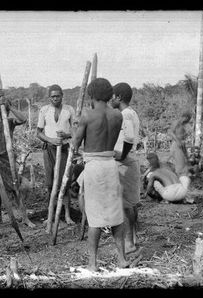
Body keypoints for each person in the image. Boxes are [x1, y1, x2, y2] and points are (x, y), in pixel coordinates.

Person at [73, 78, 129, 270]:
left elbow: (75, 144)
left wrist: (76, 129)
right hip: (111, 165)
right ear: (108, 94)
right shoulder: (117, 115)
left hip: (95, 167)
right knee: (116, 214)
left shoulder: (87, 115)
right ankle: (122, 259)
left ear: (91, 95)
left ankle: (92, 263)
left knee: (95, 218)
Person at [0, 90, 36, 228]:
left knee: (15, 187)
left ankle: (24, 217)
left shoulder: (10, 122)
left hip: (7, 158)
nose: (3, 109)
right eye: (1, 107)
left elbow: (23, 119)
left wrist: (9, 106)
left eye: (5, 107)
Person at [36, 84, 76, 232]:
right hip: (49, 149)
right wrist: (51, 140)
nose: (55, 99)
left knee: (64, 182)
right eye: (52, 96)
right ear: (49, 98)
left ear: (62, 96)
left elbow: (75, 131)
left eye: (57, 96)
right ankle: (51, 214)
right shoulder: (44, 110)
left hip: (64, 148)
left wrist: (66, 135)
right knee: (49, 182)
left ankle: (67, 215)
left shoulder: (69, 110)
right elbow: (38, 132)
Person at [111, 82, 142, 256]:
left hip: (125, 162)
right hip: (127, 159)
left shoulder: (126, 114)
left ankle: (129, 242)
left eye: (113, 96)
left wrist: (121, 155)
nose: (111, 99)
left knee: (126, 205)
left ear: (119, 97)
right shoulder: (129, 113)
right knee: (131, 204)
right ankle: (133, 239)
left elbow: (129, 137)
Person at [168, 111, 192, 177]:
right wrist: (177, 140)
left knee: (185, 161)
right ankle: (177, 178)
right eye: (188, 119)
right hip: (176, 145)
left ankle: (181, 177)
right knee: (179, 164)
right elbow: (170, 132)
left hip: (182, 145)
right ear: (185, 117)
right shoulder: (176, 123)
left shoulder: (183, 125)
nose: (188, 121)